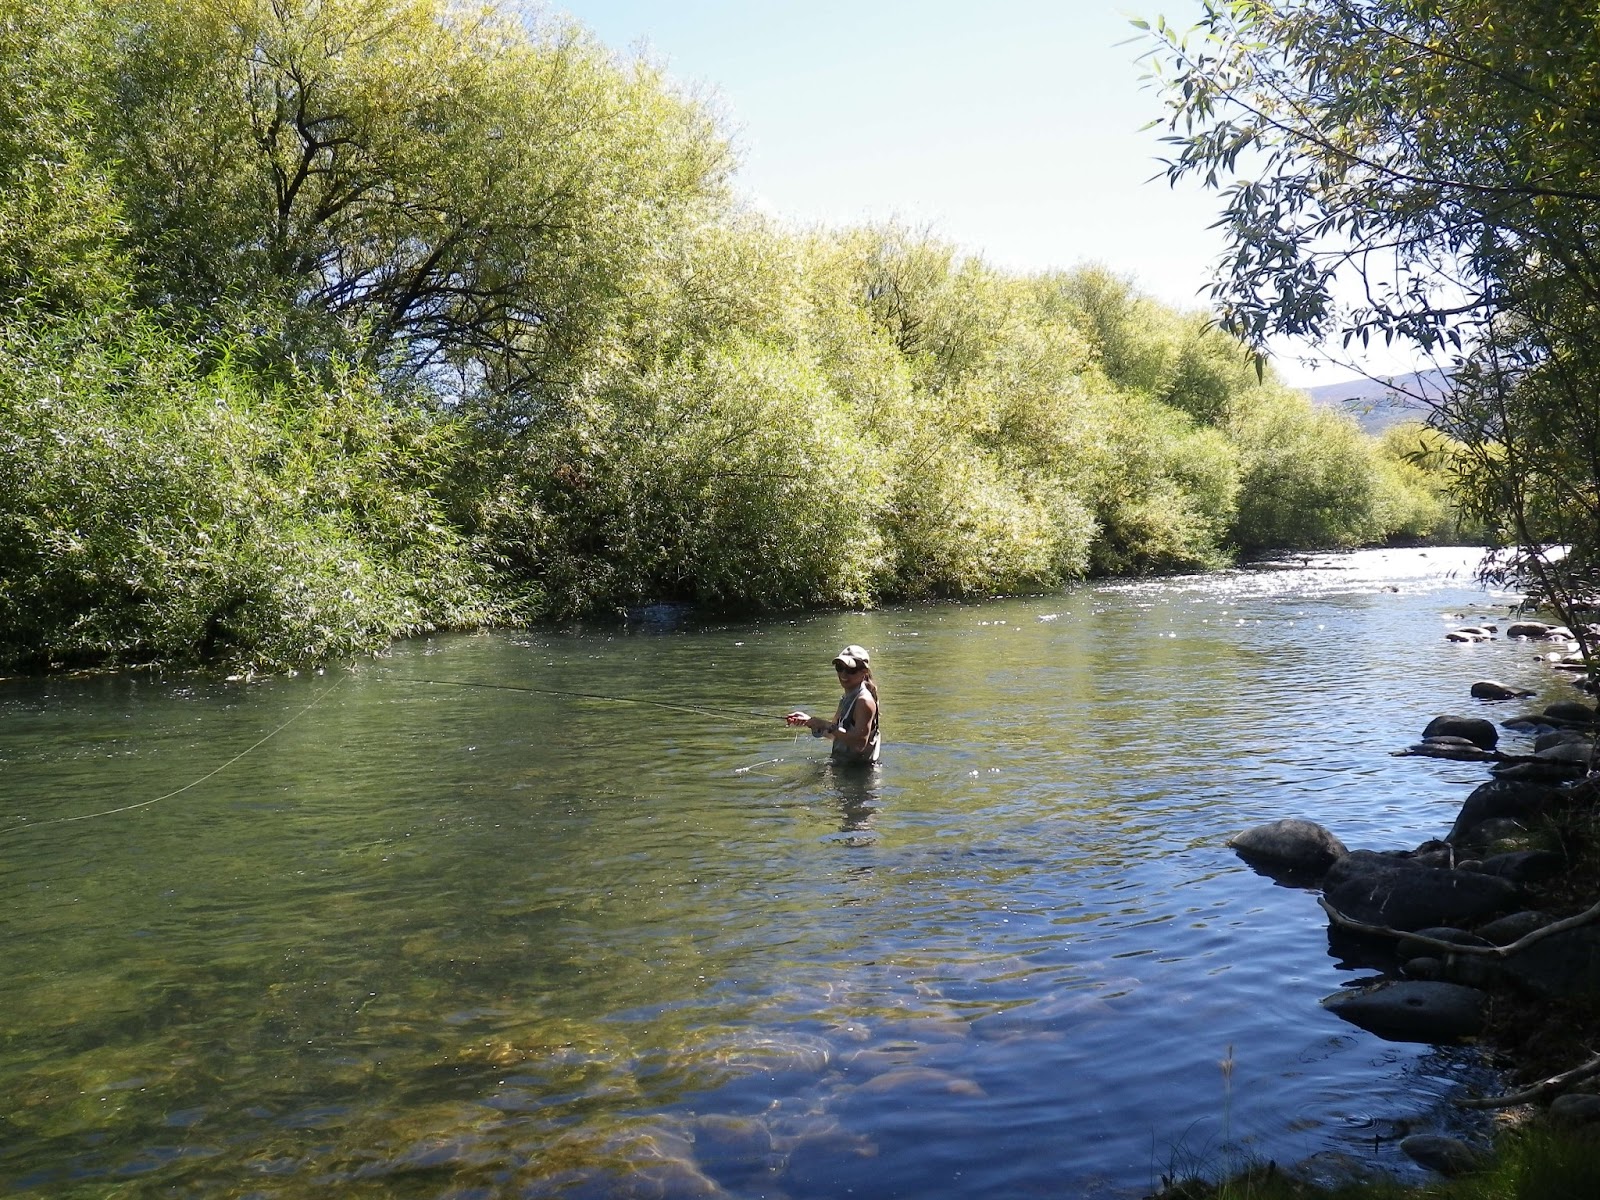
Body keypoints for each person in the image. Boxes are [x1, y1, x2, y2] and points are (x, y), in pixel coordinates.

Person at [785, 644, 881, 765]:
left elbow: (859, 744)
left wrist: (825, 724)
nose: (843, 674)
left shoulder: (864, 701)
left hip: (860, 775)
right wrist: (809, 722)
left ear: (864, 672)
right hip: (842, 767)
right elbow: (835, 735)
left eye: (851, 669)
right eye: (840, 667)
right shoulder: (846, 698)